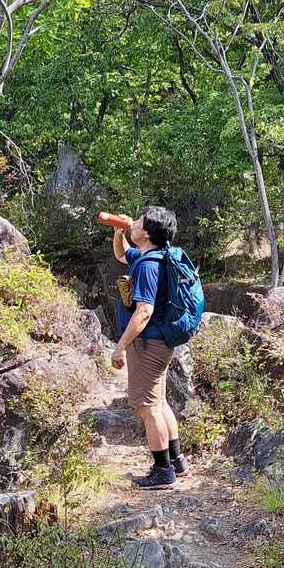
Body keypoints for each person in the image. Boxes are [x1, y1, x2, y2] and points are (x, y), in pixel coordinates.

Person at [109, 206, 188, 490]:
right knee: (160, 402)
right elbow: (121, 255)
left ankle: (162, 471)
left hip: (148, 344)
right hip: (160, 341)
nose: (134, 222)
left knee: (147, 406)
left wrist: (120, 346)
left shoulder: (147, 266)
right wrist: (119, 232)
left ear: (147, 232)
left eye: (139, 221)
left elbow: (143, 311)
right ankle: (176, 461)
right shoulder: (154, 255)